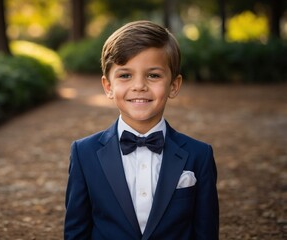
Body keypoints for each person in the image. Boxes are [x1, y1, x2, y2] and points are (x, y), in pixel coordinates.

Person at [64, 20, 219, 240]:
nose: (139, 86)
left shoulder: (199, 155)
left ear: (174, 85)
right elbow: (76, 232)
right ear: (108, 86)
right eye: (125, 75)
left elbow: (206, 232)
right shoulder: (84, 153)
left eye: (153, 75)